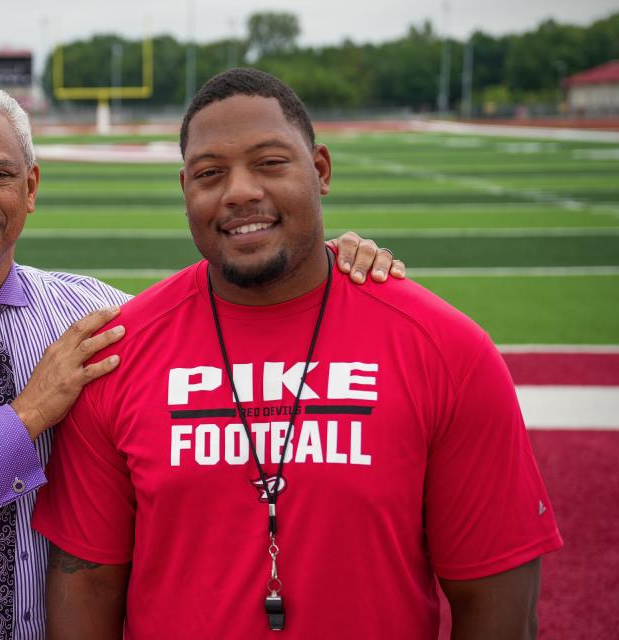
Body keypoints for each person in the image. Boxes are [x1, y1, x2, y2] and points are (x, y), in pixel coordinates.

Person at [0, 80, 403, 640]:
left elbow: (240, 332)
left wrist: (325, 262)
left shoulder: (99, 316)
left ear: (30, 190)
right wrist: (24, 418)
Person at [33, 68, 564, 640]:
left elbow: (499, 607)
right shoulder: (120, 354)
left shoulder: (445, 349)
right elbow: (86, 590)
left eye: (269, 162)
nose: (239, 191)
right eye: (211, 174)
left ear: (321, 170)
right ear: (184, 188)